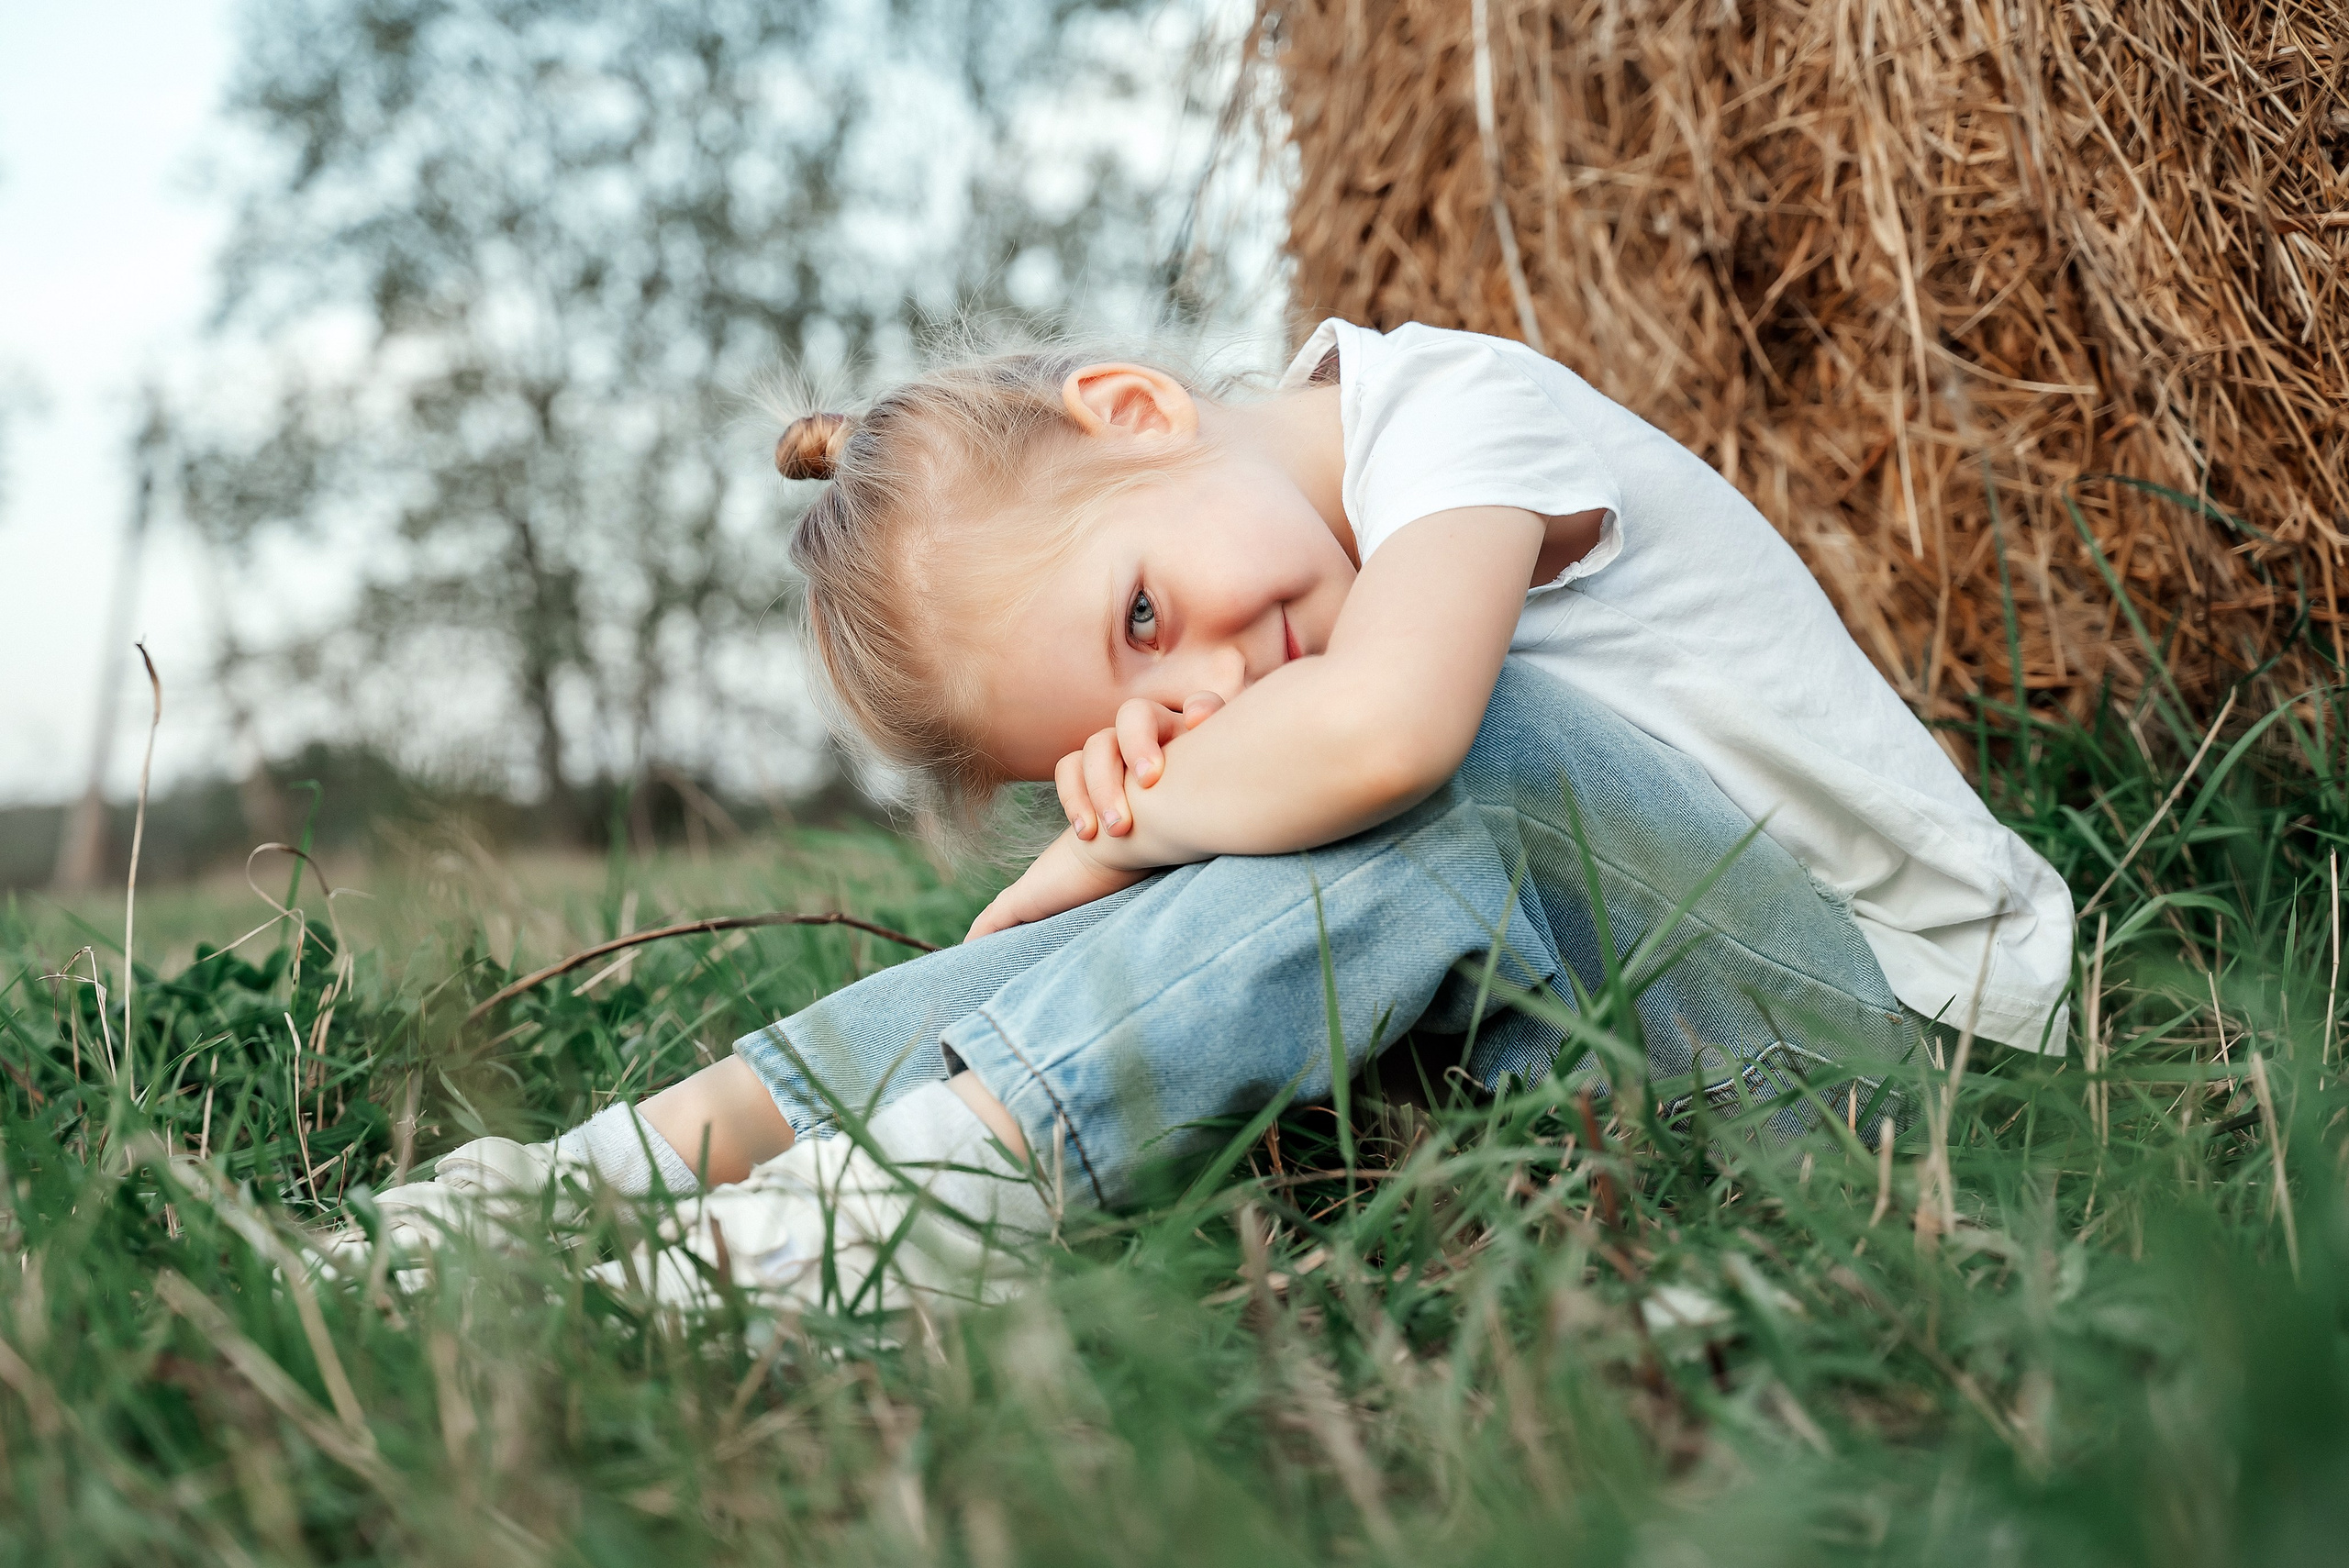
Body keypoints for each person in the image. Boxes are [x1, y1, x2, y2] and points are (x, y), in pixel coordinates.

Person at [343, 321, 2074, 1309]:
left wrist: (1113, 831)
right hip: (1654, 1047)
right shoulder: (1273, 622)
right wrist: (1150, 832)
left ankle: (911, 1220)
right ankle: (599, 1181)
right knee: (1295, 798)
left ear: (1139, 413)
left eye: (1143, 623)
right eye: (1121, 727)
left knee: (1439, 755)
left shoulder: (1460, 415)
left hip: (1903, 1055)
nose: (1194, 698)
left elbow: (1397, 728)